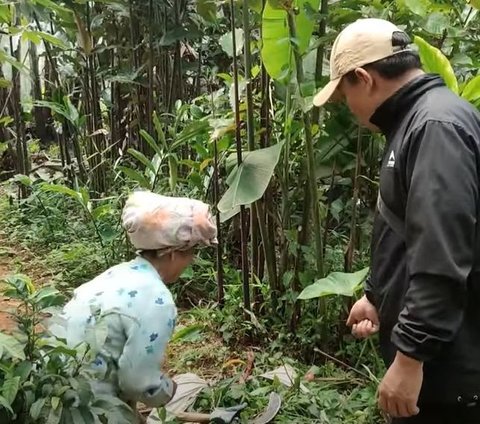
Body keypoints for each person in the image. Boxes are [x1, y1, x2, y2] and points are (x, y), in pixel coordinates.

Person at [313, 17, 480, 424]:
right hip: (440, 359)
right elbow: (406, 230)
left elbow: (441, 256)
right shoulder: (415, 122)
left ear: (363, 77)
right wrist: (376, 295)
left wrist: (410, 359)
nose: (349, 110)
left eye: (344, 95)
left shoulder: (434, 128)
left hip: (449, 369)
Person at [49, 190, 217, 420]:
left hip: (51, 396)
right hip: (88, 410)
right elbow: (138, 383)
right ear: (172, 254)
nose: (190, 262)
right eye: (191, 254)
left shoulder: (116, 274)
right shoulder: (158, 301)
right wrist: (168, 390)